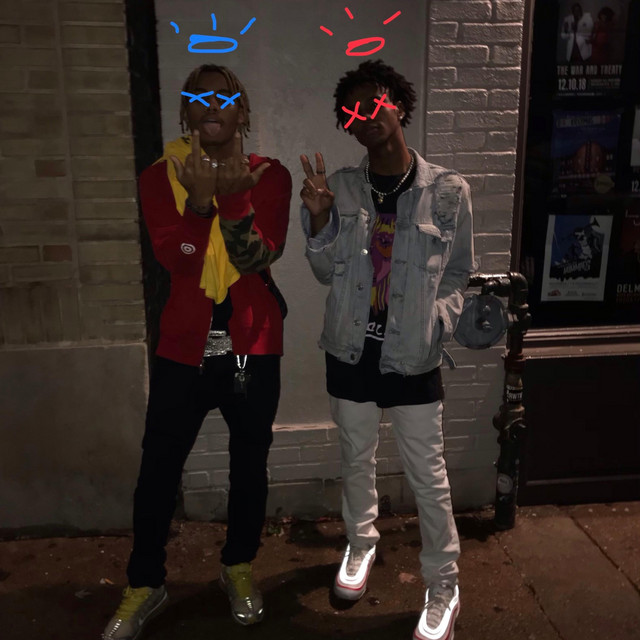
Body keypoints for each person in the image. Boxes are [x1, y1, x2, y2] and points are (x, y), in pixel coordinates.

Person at [102, 63, 292, 639]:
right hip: (183, 347)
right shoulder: (159, 177)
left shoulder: (269, 176)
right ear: (184, 111)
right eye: (199, 97)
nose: (213, 105)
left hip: (252, 345)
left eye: (225, 97)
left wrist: (231, 201)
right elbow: (178, 259)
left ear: (243, 112)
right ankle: (146, 582)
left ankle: (238, 566)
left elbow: (259, 256)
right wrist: (201, 204)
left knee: (249, 466)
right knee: (158, 469)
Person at [299, 60, 474, 640]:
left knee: (428, 476)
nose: (364, 115)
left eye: (373, 101)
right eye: (352, 111)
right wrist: (319, 219)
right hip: (350, 350)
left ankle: (444, 585)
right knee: (356, 458)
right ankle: (361, 542)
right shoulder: (340, 189)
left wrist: (437, 323)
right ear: (347, 126)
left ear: (397, 102)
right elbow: (323, 270)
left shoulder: (448, 190)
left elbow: (459, 274)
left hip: (412, 355)